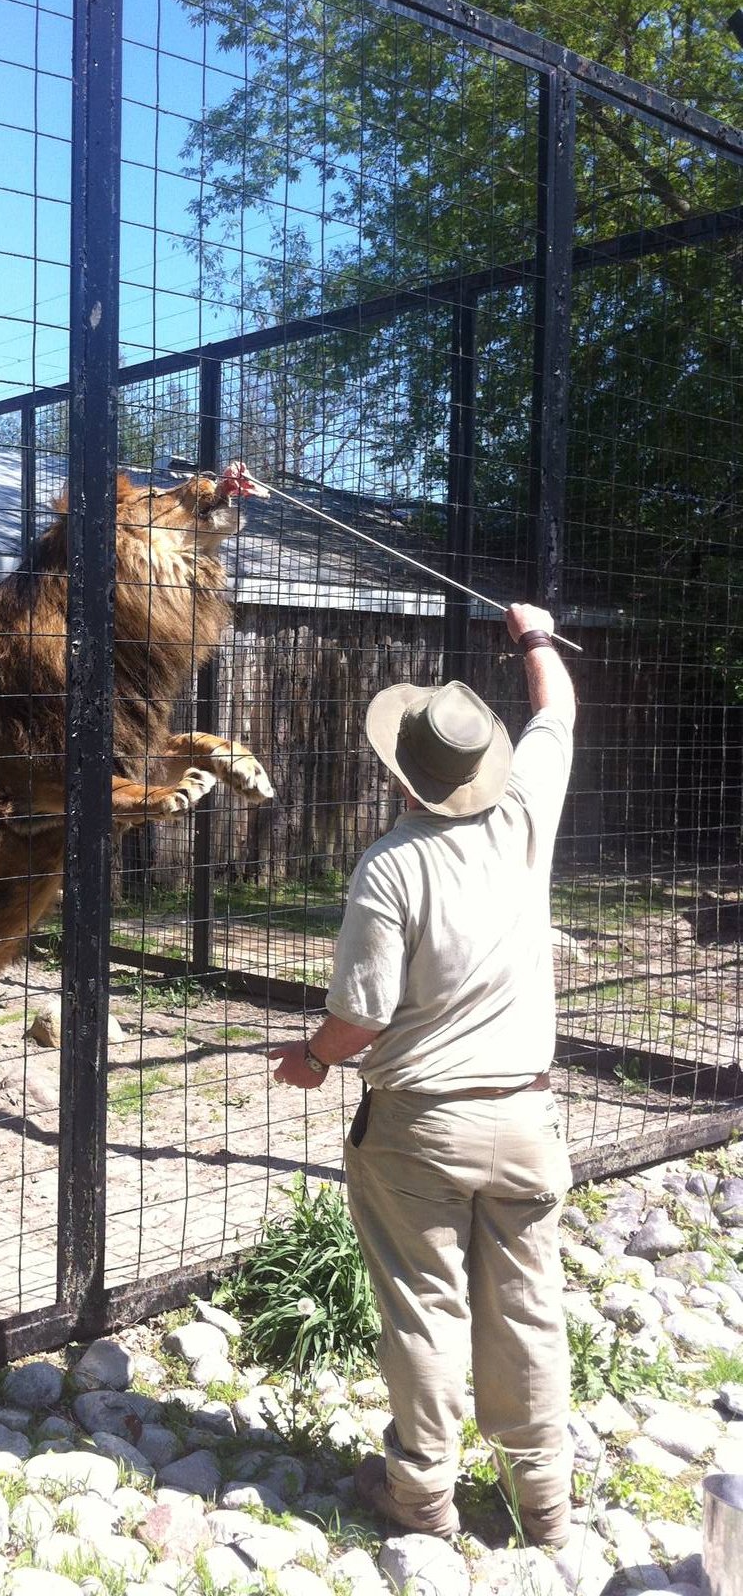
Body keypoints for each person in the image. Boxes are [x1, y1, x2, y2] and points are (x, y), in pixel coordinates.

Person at [268, 602, 576, 1547]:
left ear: (397, 769)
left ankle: (420, 1497)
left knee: (424, 1304)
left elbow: (360, 1016)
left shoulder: (389, 867)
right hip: (527, 1118)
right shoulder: (526, 814)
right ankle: (545, 1506)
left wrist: (311, 1059)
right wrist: (534, 636)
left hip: (420, 1125)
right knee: (528, 1307)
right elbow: (557, 711)